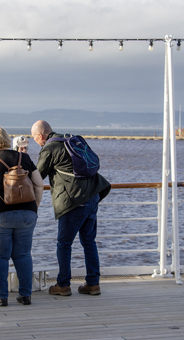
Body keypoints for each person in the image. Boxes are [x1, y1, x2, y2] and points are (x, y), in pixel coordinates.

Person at [31, 120, 110, 296]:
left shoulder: (49, 148)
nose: (35, 141)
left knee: (64, 244)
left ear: (41, 135)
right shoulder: (74, 139)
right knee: (89, 241)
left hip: (73, 201)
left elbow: (37, 177)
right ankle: (93, 283)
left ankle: (63, 284)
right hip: (92, 196)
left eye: (34, 138)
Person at [0, 125, 44, 307]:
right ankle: (25, 295)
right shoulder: (25, 157)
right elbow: (39, 184)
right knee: (23, 255)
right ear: (7, 139)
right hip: (27, 213)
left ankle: (1, 297)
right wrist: (34, 207)